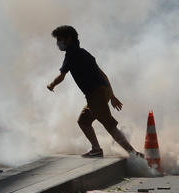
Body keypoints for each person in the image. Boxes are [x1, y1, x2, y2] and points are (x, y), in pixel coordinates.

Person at [47, 25, 143, 158]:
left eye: (59, 39)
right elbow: (102, 75)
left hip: (95, 95)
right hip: (100, 93)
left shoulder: (71, 54)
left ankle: (133, 153)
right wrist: (111, 95)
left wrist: (51, 85)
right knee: (84, 121)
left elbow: (62, 76)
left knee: (109, 125)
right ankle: (96, 149)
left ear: (68, 39)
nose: (58, 43)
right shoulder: (85, 53)